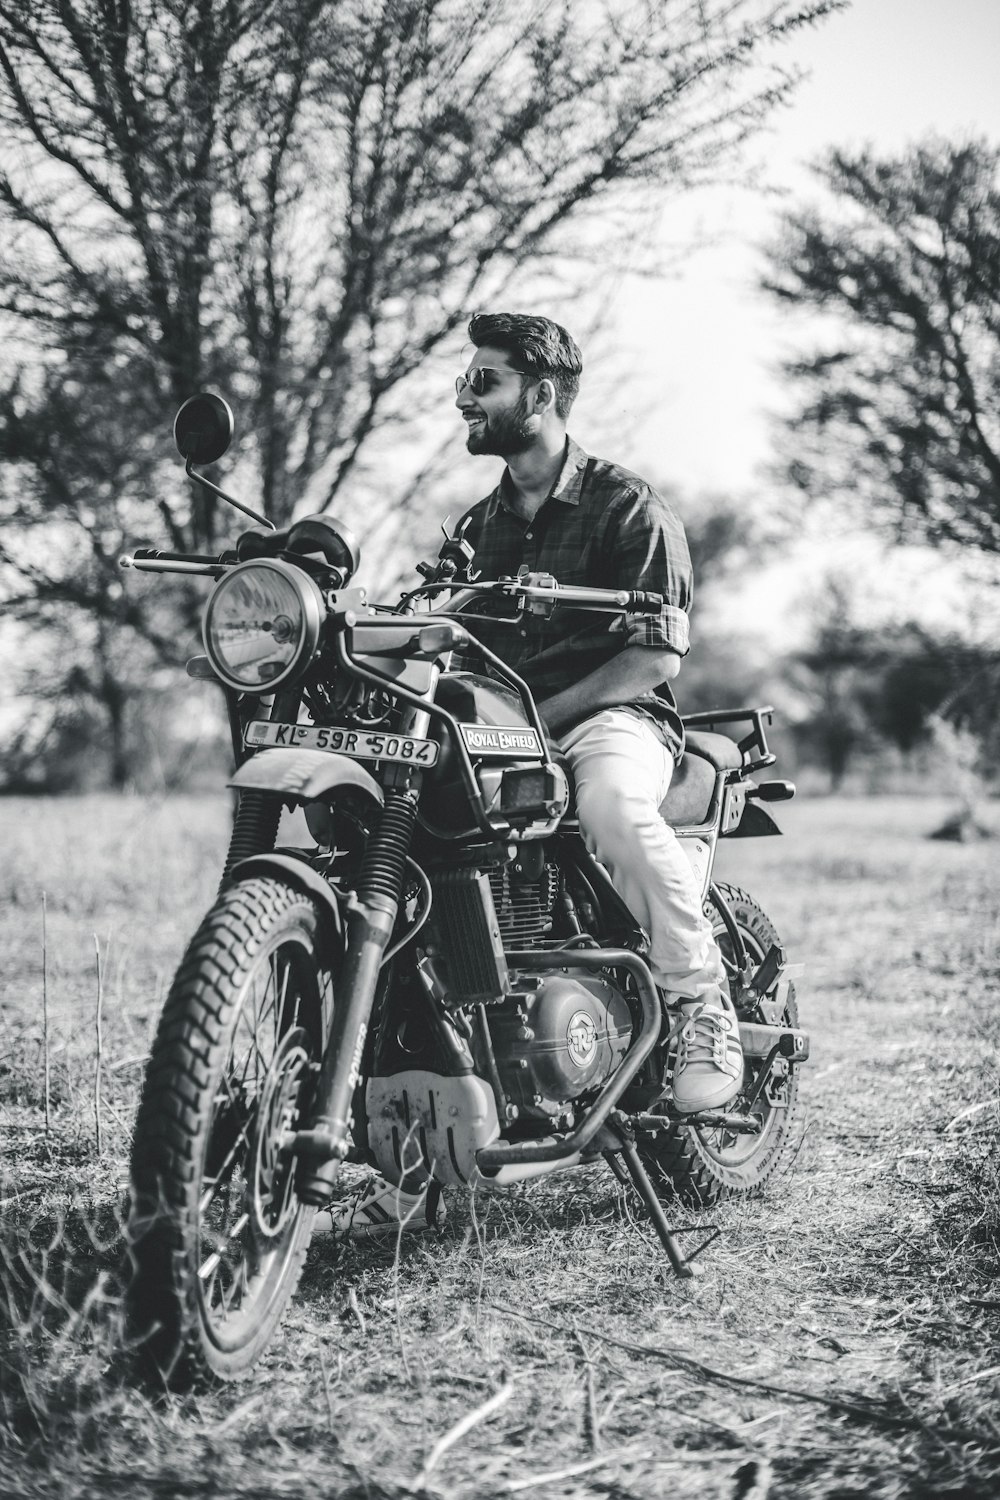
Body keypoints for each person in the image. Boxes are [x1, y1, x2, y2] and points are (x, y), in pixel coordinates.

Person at [324, 312, 742, 1236]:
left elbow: (656, 660)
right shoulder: (476, 526)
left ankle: (697, 996)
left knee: (612, 810)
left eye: (485, 382)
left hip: (611, 720)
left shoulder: (628, 508)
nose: (464, 397)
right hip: (499, 733)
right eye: (467, 381)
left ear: (541, 396)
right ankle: (422, 1108)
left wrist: (550, 721)